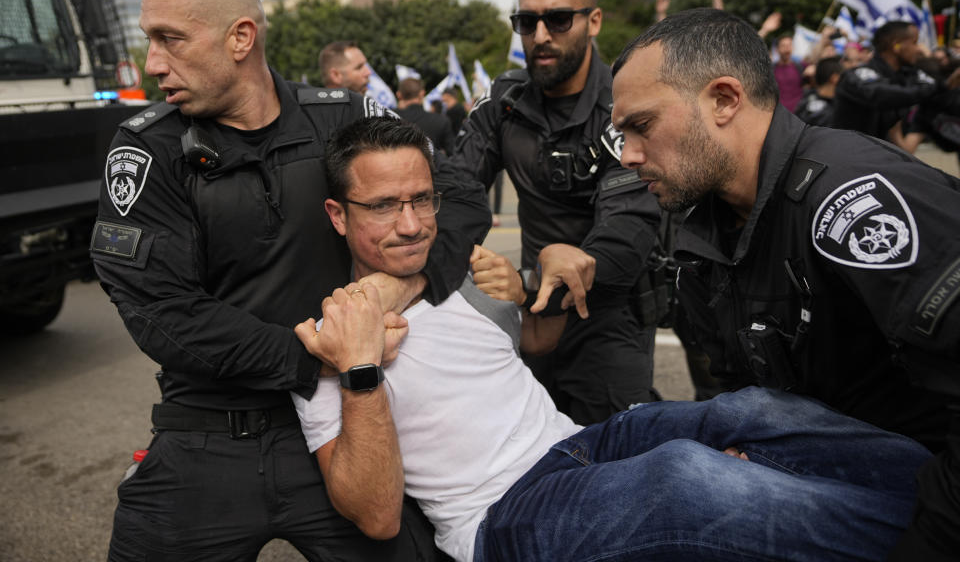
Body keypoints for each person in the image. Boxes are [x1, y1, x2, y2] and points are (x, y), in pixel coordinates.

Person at [294, 116, 932, 562]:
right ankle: (933, 545)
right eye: (382, 206)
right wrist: (360, 369)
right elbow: (374, 516)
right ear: (337, 214)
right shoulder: (328, 341)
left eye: (421, 200)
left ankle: (941, 492)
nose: (410, 225)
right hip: (503, 517)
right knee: (687, 481)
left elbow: (532, 347)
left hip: (578, 445)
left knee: (755, 411)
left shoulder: (462, 276)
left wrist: (535, 286)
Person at [91, 0, 490, 561]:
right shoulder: (148, 147)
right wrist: (324, 357)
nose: (152, 63)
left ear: (240, 38)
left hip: (348, 424)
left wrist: (403, 287)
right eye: (149, 40)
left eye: (169, 39)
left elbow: (457, 195)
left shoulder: (343, 116)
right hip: (206, 434)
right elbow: (161, 310)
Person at [610, 7, 960, 560]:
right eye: (621, 134)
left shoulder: (847, 198)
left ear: (724, 100)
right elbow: (738, 386)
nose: (628, 156)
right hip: (835, 476)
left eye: (641, 126)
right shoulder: (703, 231)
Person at [451, 0, 662, 424]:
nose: (540, 35)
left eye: (558, 19)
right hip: (530, 313)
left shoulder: (624, 105)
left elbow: (625, 234)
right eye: (526, 21)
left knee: (615, 462)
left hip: (608, 315)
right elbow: (456, 195)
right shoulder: (503, 101)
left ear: (594, 21)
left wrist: (537, 283)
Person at [832, 21, 940, 153]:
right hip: (849, 158)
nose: (918, 48)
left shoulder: (906, 74)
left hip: (883, 160)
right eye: (914, 42)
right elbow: (880, 94)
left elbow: (936, 84)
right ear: (896, 45)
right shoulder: (857, 75)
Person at [395, 78, 455, 156]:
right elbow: (452, 154)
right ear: (422, 93)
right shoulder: (441, 121)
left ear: (399, 95)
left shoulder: (388, 119)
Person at [794, 54, 843, 126]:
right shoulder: (832, 112)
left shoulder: (805, 100)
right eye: (842, 76)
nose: (844, 79)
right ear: (834, 78)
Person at [772, 35, 805, 112]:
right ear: (777, 49)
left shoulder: (801, 67)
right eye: (783, 45)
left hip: (798, 113)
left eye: (789, 45)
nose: (787, 48)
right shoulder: (771, 69)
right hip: (778, 112)